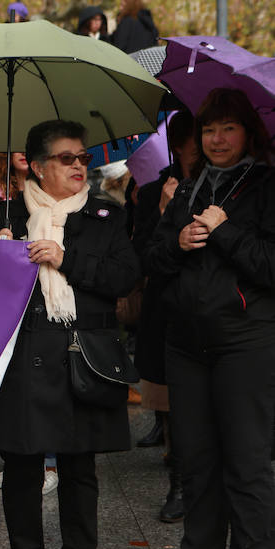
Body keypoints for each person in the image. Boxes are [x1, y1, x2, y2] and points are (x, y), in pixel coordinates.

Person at [0, 120, 139, 549]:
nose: (78, 166)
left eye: (83, 158)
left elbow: (124, 277)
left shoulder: (104, 215)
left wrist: (65, 258)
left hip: (81, 361)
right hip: (24, 360)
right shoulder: (4, 213)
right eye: (67, 158)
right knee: (22, 471)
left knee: (79, 471)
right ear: (37, 164)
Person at [146, 88, 275, 549]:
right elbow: (153, 259)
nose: (217, 139)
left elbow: (269, 266)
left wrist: (224, 233)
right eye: (209, 130)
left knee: (246, 464)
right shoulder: (189, 186)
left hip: (247, 342)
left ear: (248, 132)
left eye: (228, 128)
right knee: (196, 462)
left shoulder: (265, 186)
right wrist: (176, 242)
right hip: (187, 343)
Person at [131, 112, 197, 525]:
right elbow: (141, 251)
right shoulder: (156, 188)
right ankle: (179, 482)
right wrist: (161, 209)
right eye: (197, 136)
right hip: (166, 307)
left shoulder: (231, 188)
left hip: (212, 311)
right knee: (173, 398)